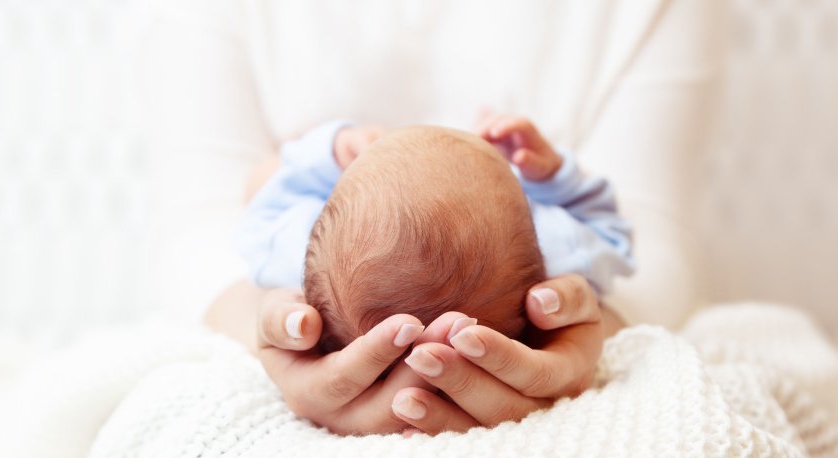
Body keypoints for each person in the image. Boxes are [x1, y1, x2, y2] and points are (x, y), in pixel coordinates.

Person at [237, 116, 633, 357]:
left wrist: (326, 152)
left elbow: (264, 196)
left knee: (266, 175)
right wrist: (551, 177)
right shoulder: (560, 251)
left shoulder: (298, 252)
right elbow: (611, 233)